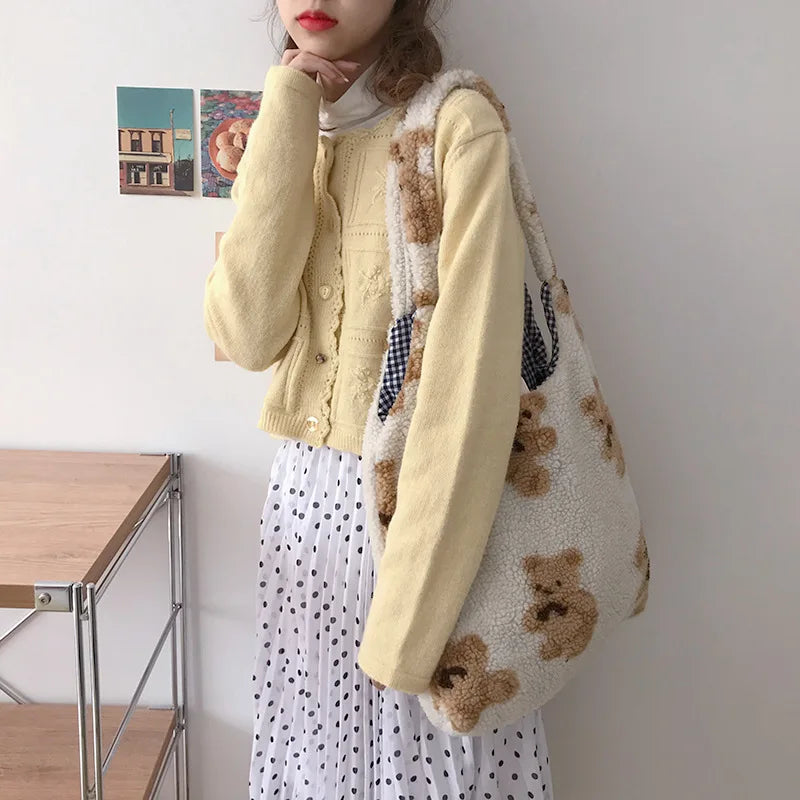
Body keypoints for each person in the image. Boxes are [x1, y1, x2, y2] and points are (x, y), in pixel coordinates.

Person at [203, 1, 555, 797]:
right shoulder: (290, 127)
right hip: (304, 509)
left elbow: (473, 391)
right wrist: (287, 111)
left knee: (424, 773)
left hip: (424, 513)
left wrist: (412, 623)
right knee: (318, 763)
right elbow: (249, 335)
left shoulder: (455, 126)